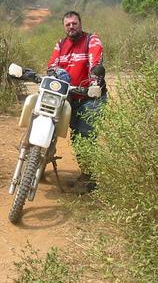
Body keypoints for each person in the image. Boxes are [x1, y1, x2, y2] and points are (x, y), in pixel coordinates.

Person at [47, 10, 106, 192]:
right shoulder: (60, 44)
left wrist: (95, 77)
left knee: (84, 136)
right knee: (52, 123)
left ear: (80, 23)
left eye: (74, 23)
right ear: (64, 26)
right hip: (69, 97)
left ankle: (89, 179)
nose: (71, 27)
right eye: (68, 24)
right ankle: (37, 162)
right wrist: (52, 73)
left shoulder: (91, 40)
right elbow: (52, 66)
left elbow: (95, 61)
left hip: (90, 96)